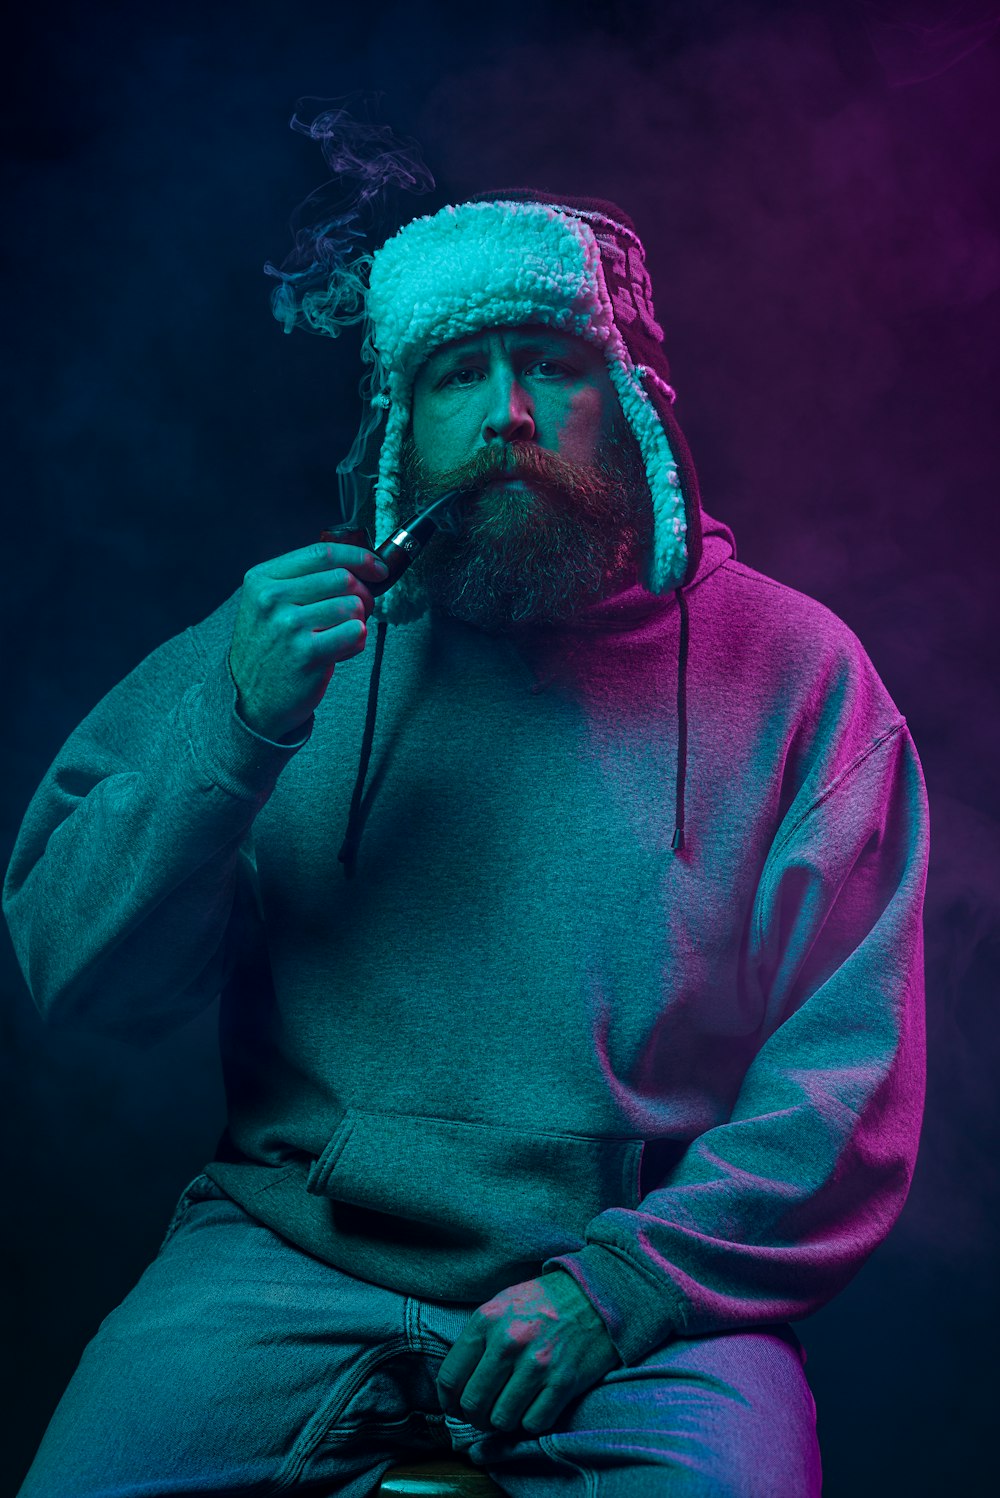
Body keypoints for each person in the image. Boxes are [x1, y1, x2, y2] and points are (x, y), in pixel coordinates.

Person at [4, 187, 929, 1497]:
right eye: (457, 376)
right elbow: (71, 970)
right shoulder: (287, 641)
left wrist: (621, 1288)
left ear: (636, 408)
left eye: (553, 367)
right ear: (400, 426)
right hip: (288, 1255)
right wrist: (237, 722)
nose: (506, 414)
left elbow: (848, 1090)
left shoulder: (800, 678)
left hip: (647, 1294)